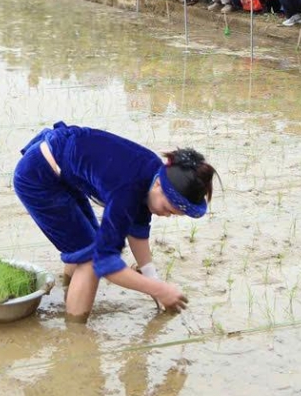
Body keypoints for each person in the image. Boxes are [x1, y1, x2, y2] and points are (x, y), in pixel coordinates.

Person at [12, 122, 215, 321]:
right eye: (168, 209)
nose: (167, 215)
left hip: (63, 171)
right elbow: (106, 265)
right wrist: (160, 289)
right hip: (38, 177)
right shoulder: (127, 189)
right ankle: (75, 338)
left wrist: (152, 279)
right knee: (90, 259)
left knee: (85, 242)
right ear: (159, 184)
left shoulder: (151, 173)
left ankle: (70, 290)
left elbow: (137, 231)